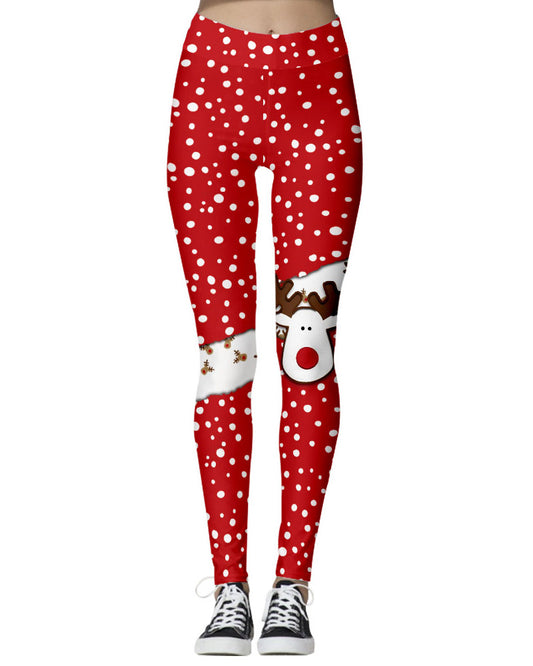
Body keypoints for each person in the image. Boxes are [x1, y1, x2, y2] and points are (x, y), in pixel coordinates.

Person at [166, 0, 363, 655]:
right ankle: (229, 590)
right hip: (212, 81)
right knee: (224, 359)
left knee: (308, 351)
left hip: (318, 79)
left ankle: (291, 587)